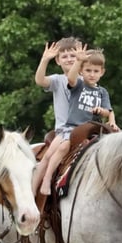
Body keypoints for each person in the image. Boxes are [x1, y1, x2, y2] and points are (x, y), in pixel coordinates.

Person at [39, 45, 119, 196]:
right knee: (63, 147)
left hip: (92, 129)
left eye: (96, 71)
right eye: (88, 71)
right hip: (73, 128)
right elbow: (71, 78)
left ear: (102, 72)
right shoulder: (79, 85)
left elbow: (108, 111)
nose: (92, 74)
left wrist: (108, 117)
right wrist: (78, 61)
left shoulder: (102, 92)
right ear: (82, 71)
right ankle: (47, 178)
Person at [31, 36, 83, 195]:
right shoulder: (57, 80)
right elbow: (40, 80)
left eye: (73, 55)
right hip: (65, 130)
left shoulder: (87, 79)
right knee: (48, 157)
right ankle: (33, 191)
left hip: (84, 129)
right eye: (64, 56)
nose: (69, 59)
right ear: (58, 61)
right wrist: (44, 60)